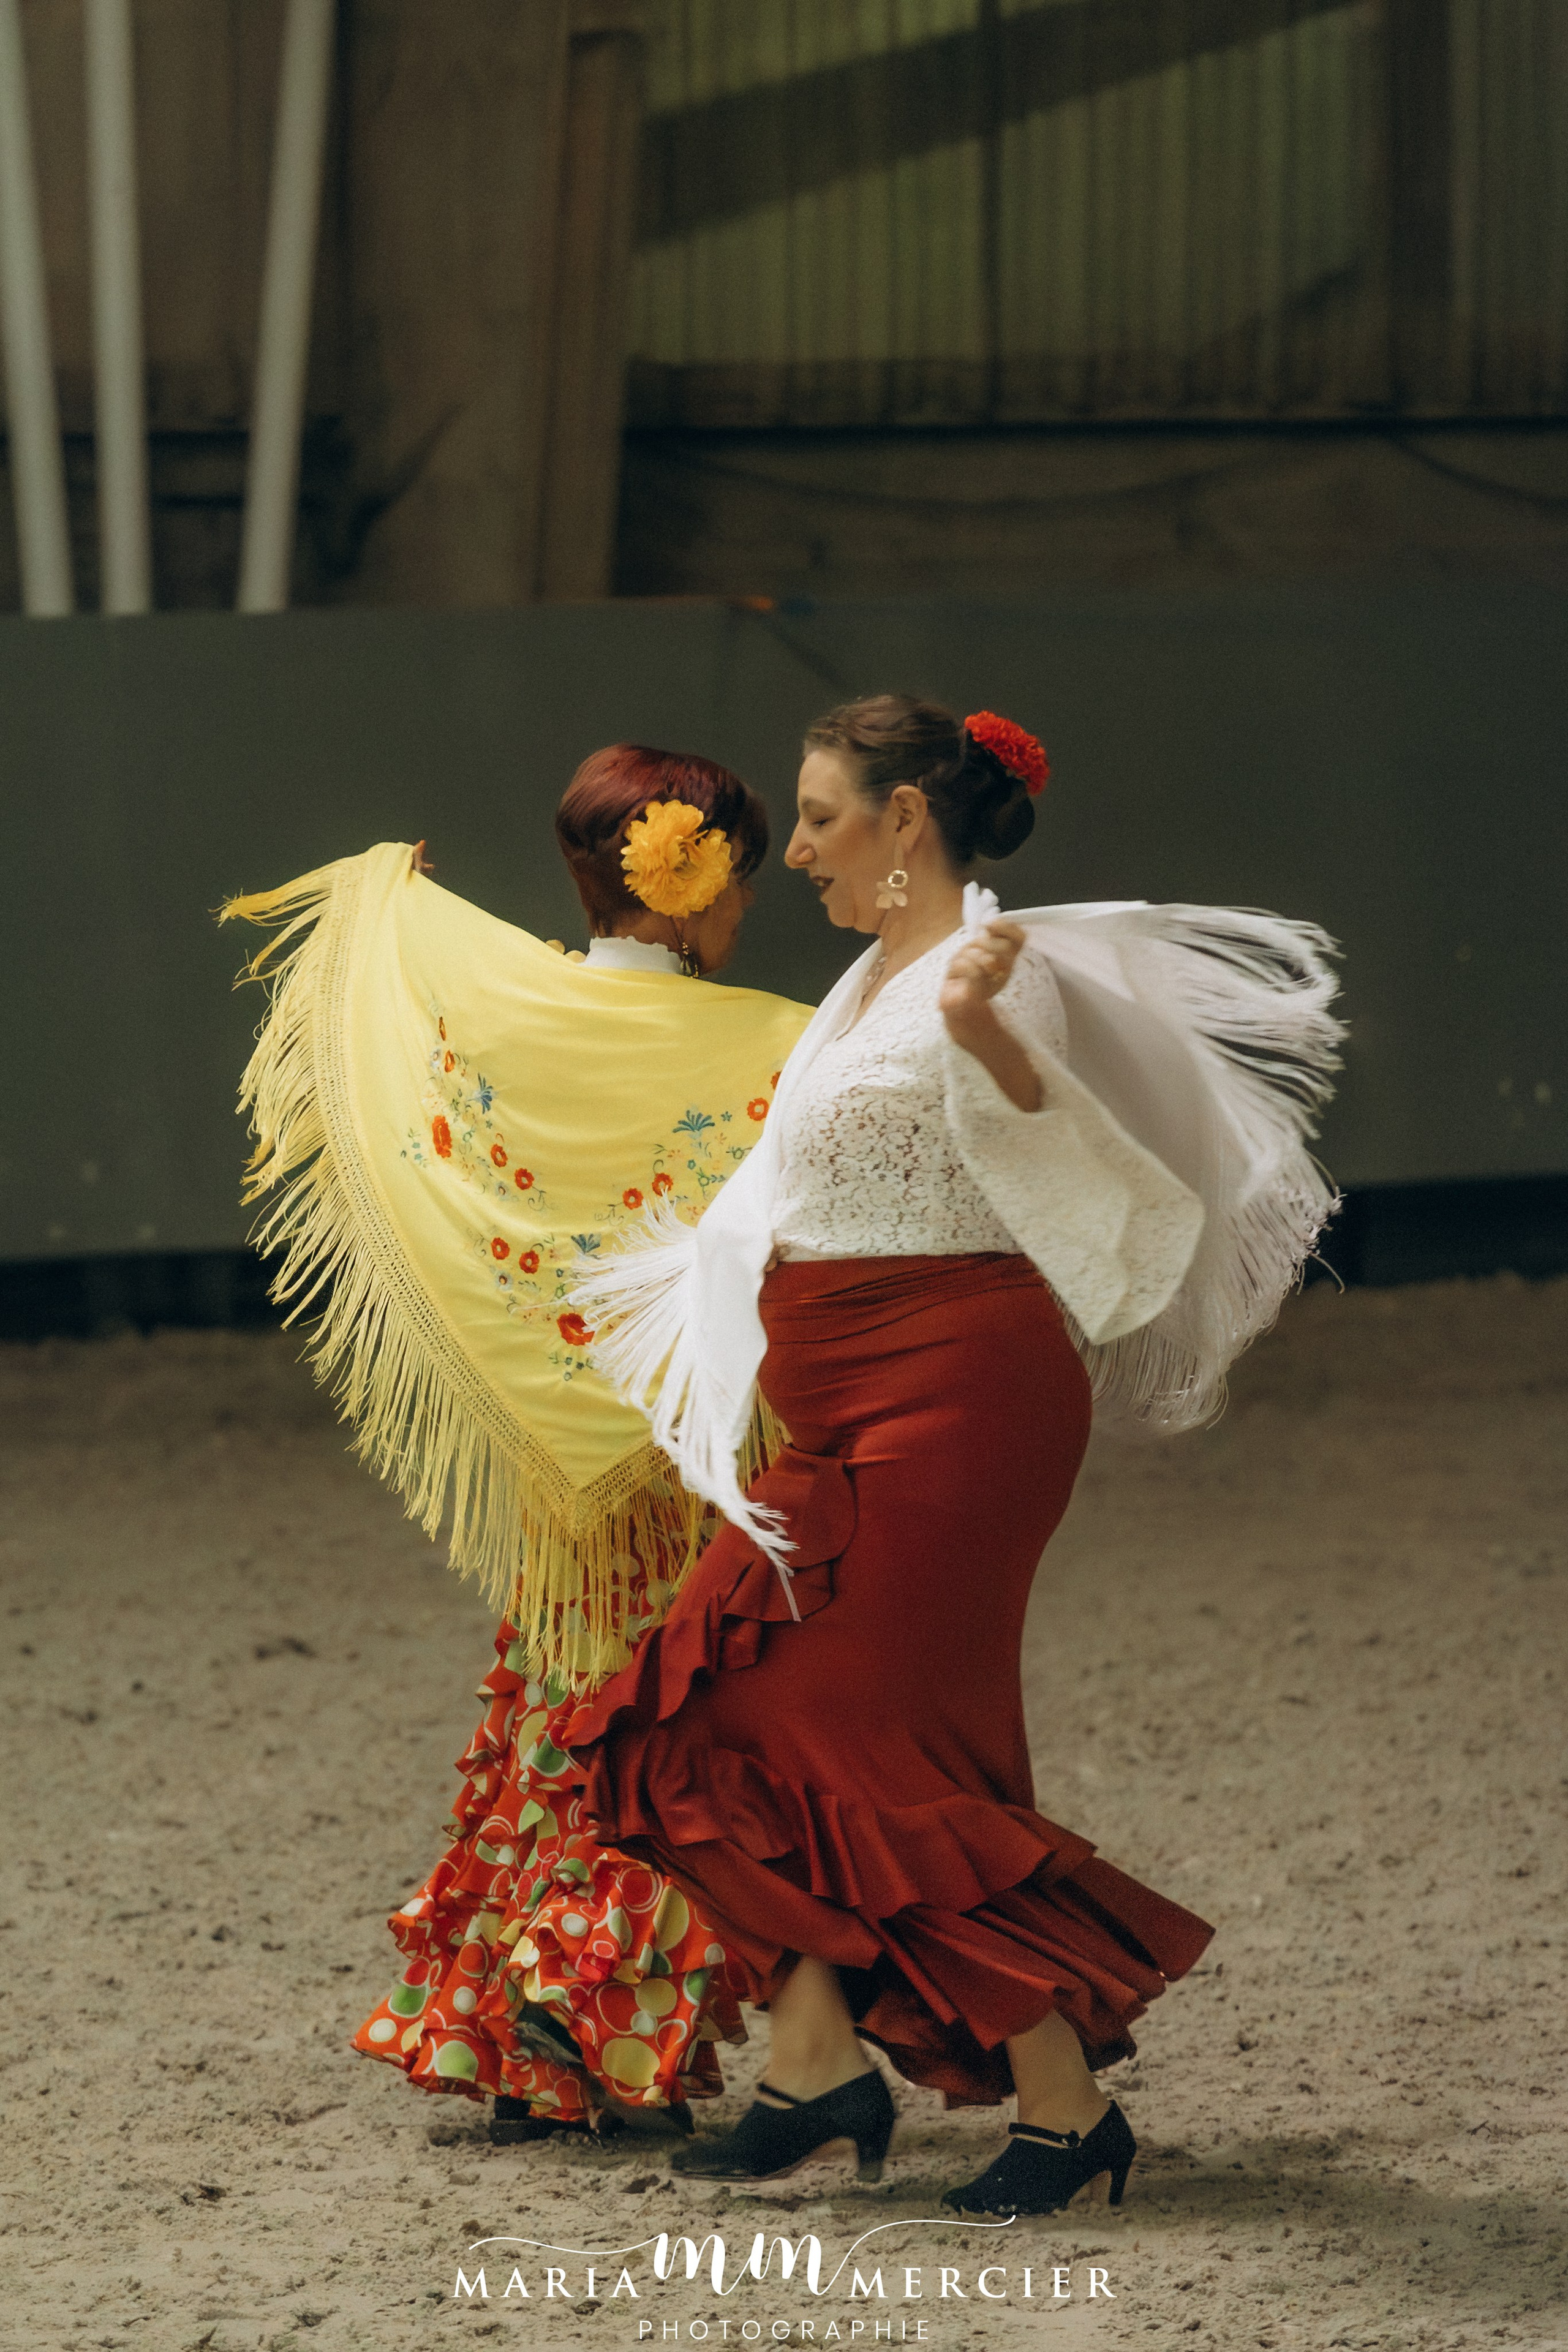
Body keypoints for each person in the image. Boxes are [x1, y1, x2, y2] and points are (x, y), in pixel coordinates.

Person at [568, 694, 1342, 2214]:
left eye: (817, 817)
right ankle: (813, 2061)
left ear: (905, 818)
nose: (792, 850)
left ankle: (1061, 2106)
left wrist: (985, 1029)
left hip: (955, 1404)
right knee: (699, 1718)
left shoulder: (994, 967)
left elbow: (1043, 1121)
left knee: (874, 1759)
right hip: (840, 1406)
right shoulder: (867, 978)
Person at [222, 745, 812, 2143]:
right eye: (742, 876)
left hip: (557, 1466)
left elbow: (397, 1027)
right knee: (693, 1728)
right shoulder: (783, 1044)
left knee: (562, 1719)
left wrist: (394, 916)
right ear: (698, 885)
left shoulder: (511, 1010)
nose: (750, 903)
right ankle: (582, 1997)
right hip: (700, 1456)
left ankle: (525, 2043)